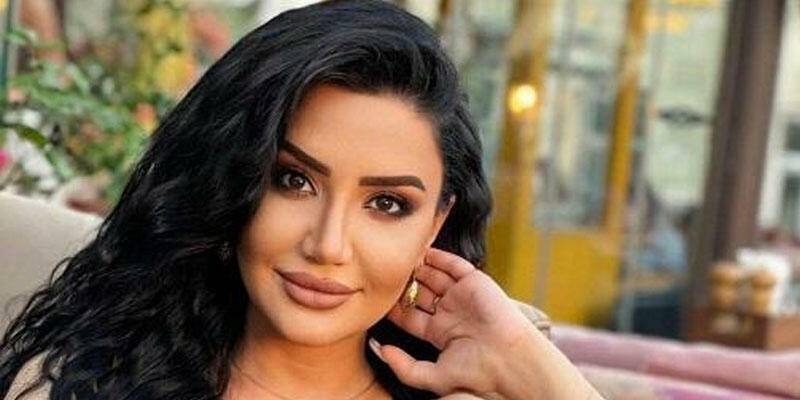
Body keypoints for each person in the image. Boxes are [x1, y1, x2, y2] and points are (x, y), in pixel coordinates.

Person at [0, 1, 604, 399]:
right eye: (293, 181)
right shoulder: (86, 383)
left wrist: (536, 370)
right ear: (230, 182)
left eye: (387, 203)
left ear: (435, 223)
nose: (328, 245)